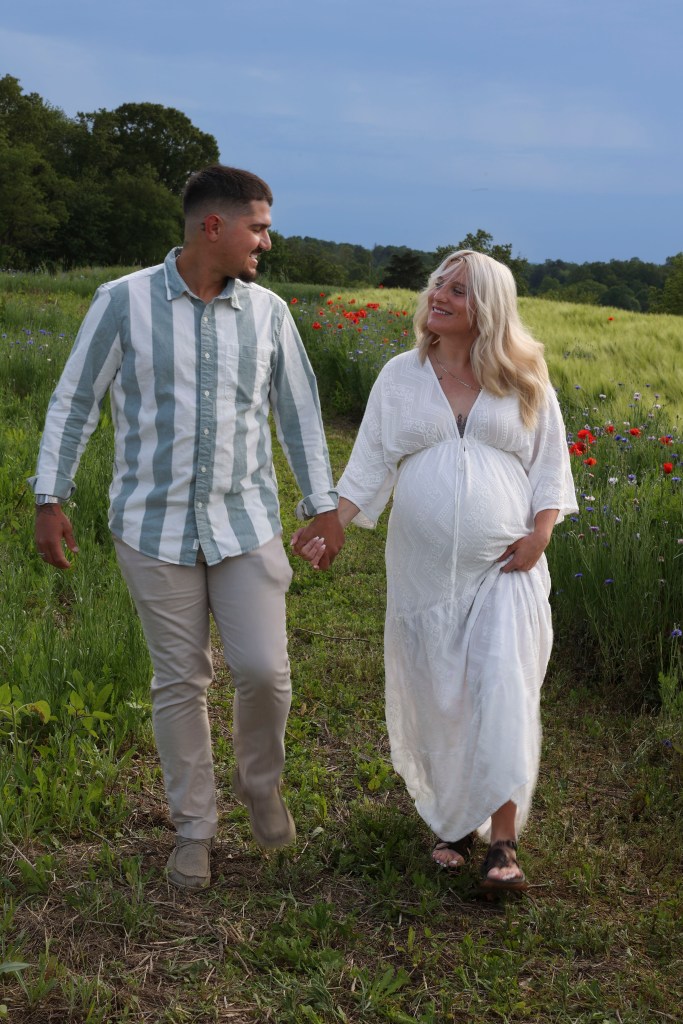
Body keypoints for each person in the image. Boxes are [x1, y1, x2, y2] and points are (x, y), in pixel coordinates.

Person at [30, 164, 344, 891]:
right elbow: (74, 402)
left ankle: (258, 783)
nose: (266, 242)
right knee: (180, 680)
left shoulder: (269, 313)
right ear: (214, 226)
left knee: (265, 671)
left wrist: (321, 504)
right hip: (151, 526)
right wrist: (51, 497)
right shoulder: (122, 302)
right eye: (258, 228)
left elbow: (298, 415)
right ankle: (194, 829)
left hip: (246, 524)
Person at [293, 250, 577, 891]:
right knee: (440, 691)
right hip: (423, 575)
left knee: (501, 688)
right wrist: (334, 522)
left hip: (505, 567)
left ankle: (501, 842)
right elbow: (370, 460)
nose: (439, 295)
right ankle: (453, 818)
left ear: (489, 309)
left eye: (460, 290)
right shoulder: (402, 376)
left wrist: (540, 535)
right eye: (439, 284)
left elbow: (550, 465)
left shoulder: (524, 377)